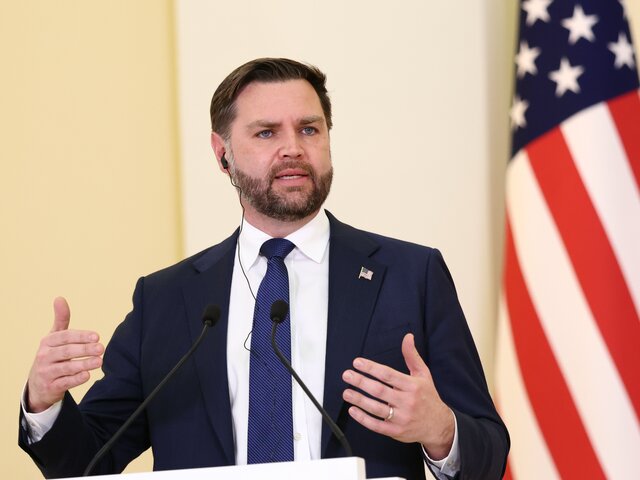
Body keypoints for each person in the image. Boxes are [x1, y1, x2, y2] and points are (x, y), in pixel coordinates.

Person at [19, 58, 509, 479]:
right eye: (266, 132)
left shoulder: (411, 276)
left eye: (309, 129)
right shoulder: (166, 300)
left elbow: (488, 451)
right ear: (222, 155)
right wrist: (44, 403)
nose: (293, 147)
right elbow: (87, 461)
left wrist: (441, 430)